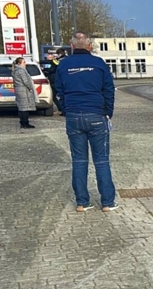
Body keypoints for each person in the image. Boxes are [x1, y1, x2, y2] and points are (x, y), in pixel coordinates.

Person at [56, 32, 118, 213]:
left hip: (74, 116)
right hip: (97, 115)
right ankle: (107, 202)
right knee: (101, 161)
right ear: (90, 46)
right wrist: (108, 112)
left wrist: (67, 110)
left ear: (72, 46)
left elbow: (59, 91)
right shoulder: (99, 64)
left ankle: (82, 202)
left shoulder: (63, 65)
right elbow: (109, 90)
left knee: (79, 160)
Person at [12, 57, 38, 129]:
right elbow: (26, 81)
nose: (25, 64)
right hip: (24, 91)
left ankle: (23, 123)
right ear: (19, 63)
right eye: (24, 62)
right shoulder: (21, 70)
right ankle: (25, 123)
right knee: (25, 108)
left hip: (19, 90)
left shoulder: (15, 70)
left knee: (21, 107)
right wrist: (30, 88)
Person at [47, 47, 67, 114]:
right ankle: (62, 109)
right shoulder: (66, 59)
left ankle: (62, 110)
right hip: (63, 80)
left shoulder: (59, 60)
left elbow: (54, 67)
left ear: (60, 54)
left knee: (59, 96)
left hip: (57, 80)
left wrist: (44, 70)